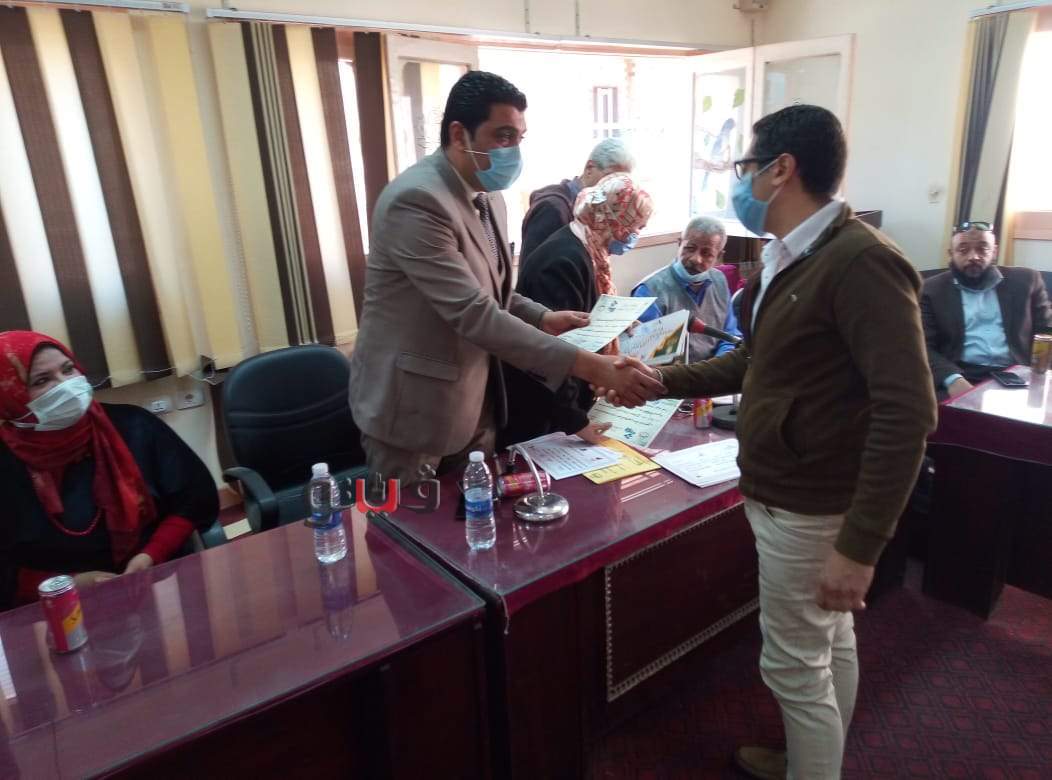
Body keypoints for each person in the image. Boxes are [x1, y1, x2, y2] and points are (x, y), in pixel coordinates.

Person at [597, 105, 936, 780]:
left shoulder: (860, 262)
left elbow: (908, 411)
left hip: (812, 503)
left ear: (781, 170)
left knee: (793, 665)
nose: (738, 181)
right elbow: (755, 363)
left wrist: (860, 548)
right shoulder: (787, 256)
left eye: (743, 166)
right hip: (785, 488)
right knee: (827, 643)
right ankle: (811, 759)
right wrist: (658, 380)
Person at [348, 71, 663, 483]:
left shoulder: (489, 196)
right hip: (413, 412)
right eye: (502, 136)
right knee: (415, 522)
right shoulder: (418, 201)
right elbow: (473, 312)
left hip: (477, 400)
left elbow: (493, 289)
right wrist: (593, 367)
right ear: (459, 134)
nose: (513, 150)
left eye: (519, 137)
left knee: (478, 516)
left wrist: (540, 316)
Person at [0, 331, 218, 610]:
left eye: (68, 369)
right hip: (51, 608)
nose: (66, 385)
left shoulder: (134, 426)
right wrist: (69, 584)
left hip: (153, 580)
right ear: (10, 395)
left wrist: (150, 555)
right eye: (42, 380)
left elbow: (194, 499)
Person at [501, 173, 654, 447]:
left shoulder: (589, 251)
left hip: (565, 405)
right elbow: (552, 351)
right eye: (636, 227)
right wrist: (576, 421)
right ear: (616, 220)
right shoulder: (563, 260)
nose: (635, 236)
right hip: (544, 413)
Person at [921, 220, 1052, 398]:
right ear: (951, 254)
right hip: (961, 374)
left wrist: (1041, 374)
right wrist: (952, 379)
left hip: (1018, 375)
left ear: (994, 252)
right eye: (963, 250)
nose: (973, 256)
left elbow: (1047, 332)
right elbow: (923, 345)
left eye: (982, 249)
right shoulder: (931, 289)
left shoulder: (1027, 281)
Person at [631, 215, 741, 361]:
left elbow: (730, 337)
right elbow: (645, 354)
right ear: (679, 244)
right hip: (670, 372)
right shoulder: (649, 290)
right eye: (690, 248)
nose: (696, 259)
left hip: (715, 368)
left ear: (719, 256)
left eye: (707, 253)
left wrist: (717, 366)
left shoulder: (720, 281)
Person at [518, 137, 635, 263]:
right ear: (589, 168)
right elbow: (537, 270)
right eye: (611, 179)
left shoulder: (594, 211)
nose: (617, 189)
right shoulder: (552, 209)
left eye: (623, 183)